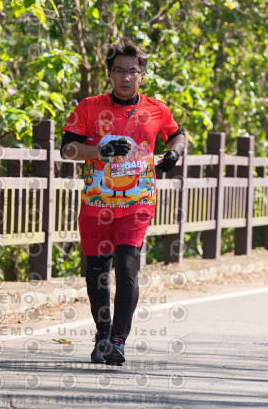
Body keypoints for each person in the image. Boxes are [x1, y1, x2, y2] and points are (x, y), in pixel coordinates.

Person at [60, 42, 186, 365]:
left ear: (142, 75)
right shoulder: (89, 108)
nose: (126, 77)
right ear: (110, 74)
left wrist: (174, 153)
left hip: (137, 203)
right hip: (96, 204)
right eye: (119, 71)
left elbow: (177, 135)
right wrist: (99, 151)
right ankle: (102, 335)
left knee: (128, 267)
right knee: (97, 274)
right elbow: (67, 149)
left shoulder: (156, 109)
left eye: (133, 71)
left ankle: (118, 340)